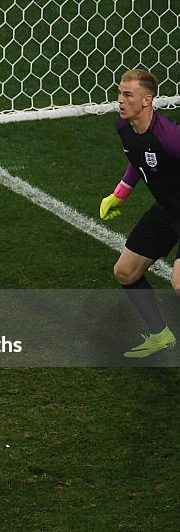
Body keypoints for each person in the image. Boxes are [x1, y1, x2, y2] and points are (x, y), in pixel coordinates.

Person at [99, 69, 179, 357]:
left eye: (127, 95)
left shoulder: (169, 137)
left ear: (147, 101)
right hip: (168, 209)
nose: (119, 100)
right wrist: (119, 194)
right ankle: (160, 335)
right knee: (125, 272)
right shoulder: (124, 128)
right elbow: (137, 160)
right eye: (120, 93)